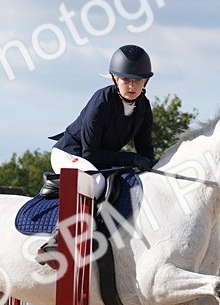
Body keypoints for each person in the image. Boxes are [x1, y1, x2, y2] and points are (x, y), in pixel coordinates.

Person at [37, 45, 157, 264]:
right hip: (70, 154)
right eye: (126, 80)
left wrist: (155, 167)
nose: (132, 86)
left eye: (138, 80)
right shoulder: (101, 102)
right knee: (97, 182)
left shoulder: (144, 107)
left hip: (98, 159)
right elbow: (90, 153)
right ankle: (57, 239)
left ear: (145, 82)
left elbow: (145, 150)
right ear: (114, 78)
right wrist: (132, 160)